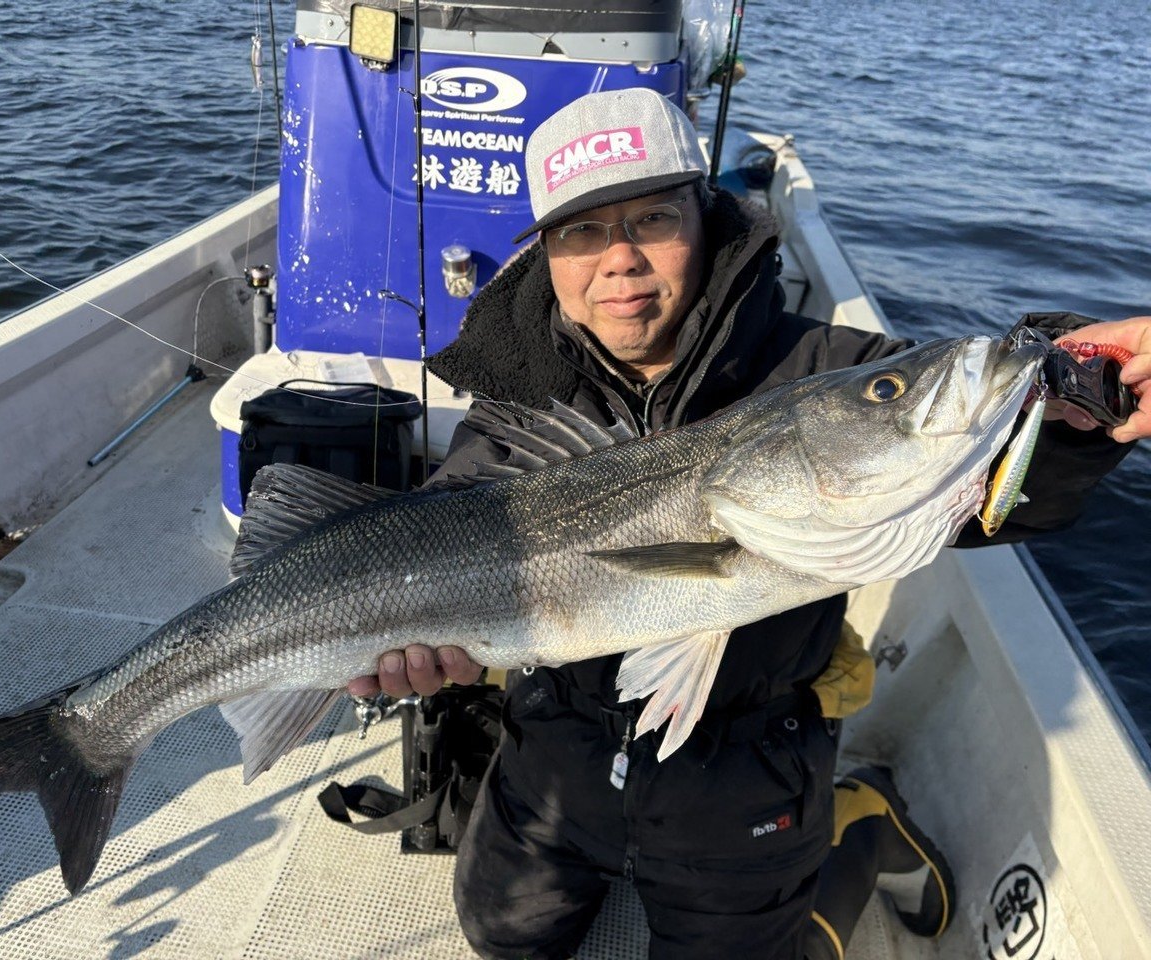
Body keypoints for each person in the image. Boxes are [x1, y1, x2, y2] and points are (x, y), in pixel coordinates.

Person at [346, 88, 1148, 959]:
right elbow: (454, 510)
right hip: (554, 745)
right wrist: (423, 641)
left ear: (706, 216)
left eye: (653, 218)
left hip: (749, 771)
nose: (619, 259)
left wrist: (1072, 396)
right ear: (547, 256)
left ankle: (859, 825)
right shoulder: (519, 396)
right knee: (500, 935)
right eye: (581, 233)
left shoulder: (821, 369)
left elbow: (986, 470)